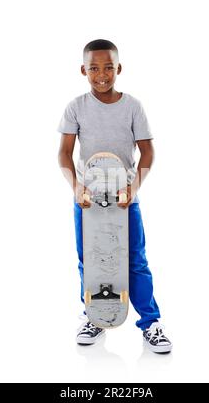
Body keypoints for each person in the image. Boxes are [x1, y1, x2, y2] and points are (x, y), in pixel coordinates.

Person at [57, 39, 172, 354]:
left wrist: (133, 189)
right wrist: (76, 187)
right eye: (94, 68)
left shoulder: (132, 106)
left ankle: (151, 322)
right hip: (87, 200)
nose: (102, 74)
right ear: (84, 70)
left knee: (135, 260)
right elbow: (64, 154)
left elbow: (148, 152)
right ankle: (95, 315)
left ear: (119, 68)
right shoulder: (75, 107)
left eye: (109, 67)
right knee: (90, 260)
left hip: (125, 200)